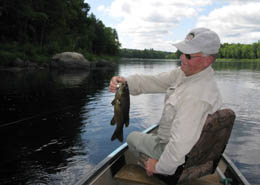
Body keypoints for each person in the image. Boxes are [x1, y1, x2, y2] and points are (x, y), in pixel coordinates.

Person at [109, 27, 222, 177]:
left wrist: (160, 167)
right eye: (182, 52)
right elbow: (154, 81)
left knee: (132, 138)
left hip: (176, 157)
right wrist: (125, 82)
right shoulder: (185, 74)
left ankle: (157, 172)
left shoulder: (197, 96)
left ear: (207, 60)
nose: (182, 58)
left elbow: (180, 144)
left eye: (188, 55)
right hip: (178, 143)